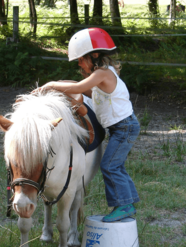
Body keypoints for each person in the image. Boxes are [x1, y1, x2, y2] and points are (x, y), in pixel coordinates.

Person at [33, 28, 140, 222]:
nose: (80, 64)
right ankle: (129, 202)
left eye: (81, 59)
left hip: (124, 127)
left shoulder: (103, 73)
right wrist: (60, 87)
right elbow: (85, 92)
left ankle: (124, 205)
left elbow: (78, 88)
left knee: (109, 165)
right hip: (121, 127)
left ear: (95, 55)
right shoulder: (102, 77)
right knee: (116, 165)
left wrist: (50, 85)